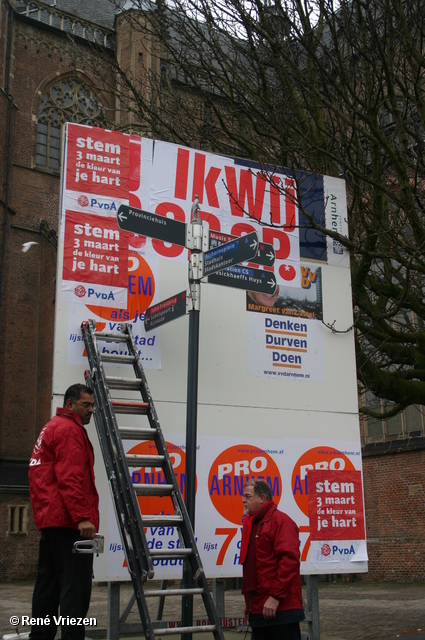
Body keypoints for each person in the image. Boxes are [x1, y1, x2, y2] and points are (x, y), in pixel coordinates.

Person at [28, 384, 99, 640]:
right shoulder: (69, 430)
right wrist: (82, 516)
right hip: (69, 521)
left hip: (51, 519)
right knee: (75, 588)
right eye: (86, 405)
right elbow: (70, 478)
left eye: (92, 405)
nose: (91, 410)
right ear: (70, 404)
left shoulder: (52, 426)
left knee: (47, 587)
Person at [240, 479, 305, 640]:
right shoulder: (254, 523)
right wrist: (250, 603)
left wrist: (275, 597)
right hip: (261, 608)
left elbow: (289, 561)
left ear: (262, 498)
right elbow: (256, 569)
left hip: (280, 610)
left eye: (247, 496)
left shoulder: (280, 521)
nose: (243, 500)